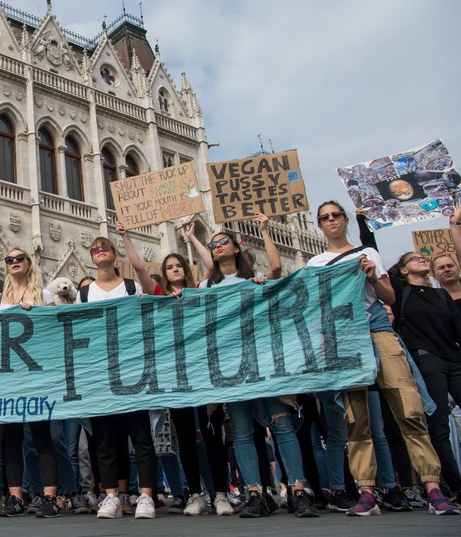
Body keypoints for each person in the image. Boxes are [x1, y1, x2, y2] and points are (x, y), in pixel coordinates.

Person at [309, 201, 458, 516]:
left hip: (378, 334)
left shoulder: (368, 253)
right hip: (346, 341)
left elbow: (389, 297)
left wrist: (374, 276)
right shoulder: (315, 264)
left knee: (408, 409)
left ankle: (432, 486)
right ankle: (367, 490)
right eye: (325, 217)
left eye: (336, 215)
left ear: (345, 220)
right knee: (356, 419)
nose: (332, 220)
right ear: (318, 225)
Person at [199, 221, 319, 519]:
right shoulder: (207, 287)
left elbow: (277, 268)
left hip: (265, 360)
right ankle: (254, 492)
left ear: (236, 247)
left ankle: (298, 490)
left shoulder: (255, 279)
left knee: (282, 426)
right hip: (231, 366)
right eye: (213, 245)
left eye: (223, 241)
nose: (217, 247)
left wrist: (265, 230)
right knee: (240, 431)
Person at [82, 227, 158, 520]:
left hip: (131, 369)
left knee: (140, 436)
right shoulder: (85, 292)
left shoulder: (130, 287)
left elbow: (151, 296)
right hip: (100, 372)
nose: (100, 250)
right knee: (104, 438)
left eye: (105, 247)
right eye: (95, 248)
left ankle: (146, 496)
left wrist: (126, 239)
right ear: (91, 257)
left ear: (114, 254)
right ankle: (111, 496)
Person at [0, 247, 60, 518]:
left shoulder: (44, 294)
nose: (13, 262)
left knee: (41, 435)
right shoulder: (0, 299)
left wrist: (36, 312)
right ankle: (15, 498)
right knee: (10, 437)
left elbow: (55, 328)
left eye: (19, 258)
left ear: (29, 263)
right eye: (9, 260)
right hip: (8, 376)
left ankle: (49, 498)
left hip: (36, 374)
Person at [155, 248, 233, 516]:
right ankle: (195, 494)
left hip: (204, 374)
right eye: (170, 267)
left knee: (212, 436)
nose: (175, 269)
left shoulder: (200, 290)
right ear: (164, 274)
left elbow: (210, 265)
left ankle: (221, 494)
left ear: (186, 270)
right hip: (176, 377)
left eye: (179, 265)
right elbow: (141, 274)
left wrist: (190, 237)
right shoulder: (161, 300)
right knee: (186, 438)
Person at [387, 248, 461, 510]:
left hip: (454, 359)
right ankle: (456, 486)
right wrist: (364, 221)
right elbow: (369, 247)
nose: (421, 258)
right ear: (403, 270)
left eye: (422, 257)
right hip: (428, 360)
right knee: (438, 425)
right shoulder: (400, 293)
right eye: (412, 258)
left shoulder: (441, 295)